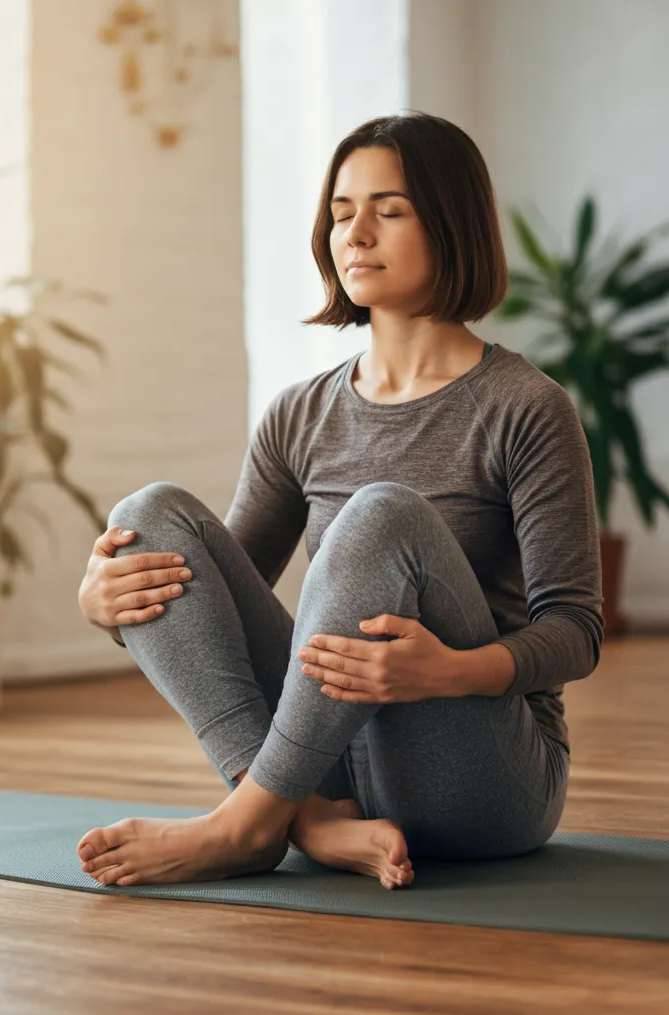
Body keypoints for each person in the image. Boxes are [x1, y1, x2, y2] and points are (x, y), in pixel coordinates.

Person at [74, 111, 604, 891]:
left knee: (380, 514)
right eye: (340, 214)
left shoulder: (525, 406)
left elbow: (577, 632)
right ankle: (304, 817)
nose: (355, 235)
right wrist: (102, 605)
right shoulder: (301, 413)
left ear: (452, 226)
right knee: (146, 515)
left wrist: (450, 672)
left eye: (389, 212)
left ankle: (250, 822)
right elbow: (207, 598)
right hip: (332, 767)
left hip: (484, 776)